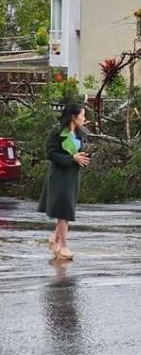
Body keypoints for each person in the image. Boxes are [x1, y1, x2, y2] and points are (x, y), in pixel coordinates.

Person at [38, 104, 90, 260]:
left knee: (67, 210)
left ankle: (55, 238)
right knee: (63, 212)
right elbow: (50, 153)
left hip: (73, 176)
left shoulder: (79, 133)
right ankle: (63, 247)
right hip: (59, 176)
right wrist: (71, 158)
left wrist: (82, 157)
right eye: (82, 115)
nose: (84, 118)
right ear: (73, 116)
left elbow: (79, 151)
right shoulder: (58, 132)